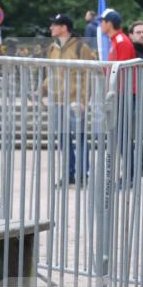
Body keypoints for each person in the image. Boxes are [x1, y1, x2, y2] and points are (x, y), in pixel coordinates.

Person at [42, 13, 97, 184]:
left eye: (54, 25)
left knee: (79, 136)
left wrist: (83, 100)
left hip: (74, 102)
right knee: (64, 139)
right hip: (57, 101)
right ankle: (69, 173)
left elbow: (89, 75)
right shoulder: (52, 48)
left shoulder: (81, 48)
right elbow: (49, 74)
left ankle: (83, 173)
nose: (51, 28)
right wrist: (40, 91)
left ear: (64, 28)